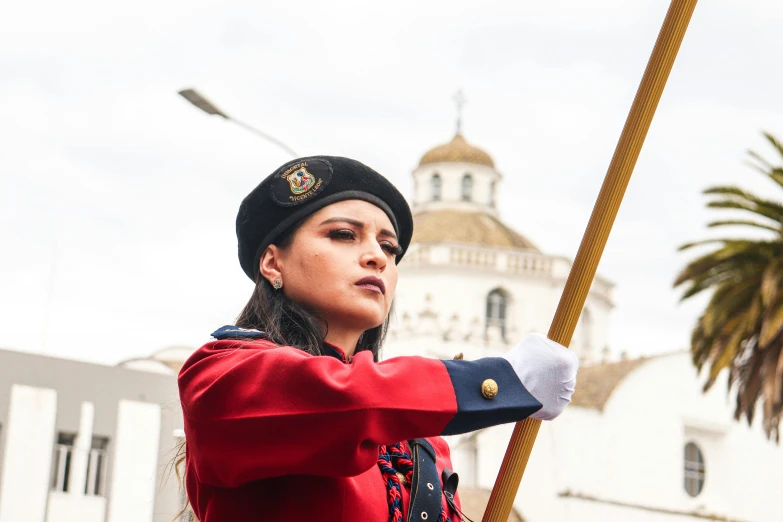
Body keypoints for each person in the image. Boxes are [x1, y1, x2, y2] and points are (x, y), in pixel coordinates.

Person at [177, 156, 578, 522]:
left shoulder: (420, 444)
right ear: (272, 262)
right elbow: (347, 399)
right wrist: (503, 381)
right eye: (343, 235)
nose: (378, 257)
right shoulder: (221, 377)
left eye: (389, 246)